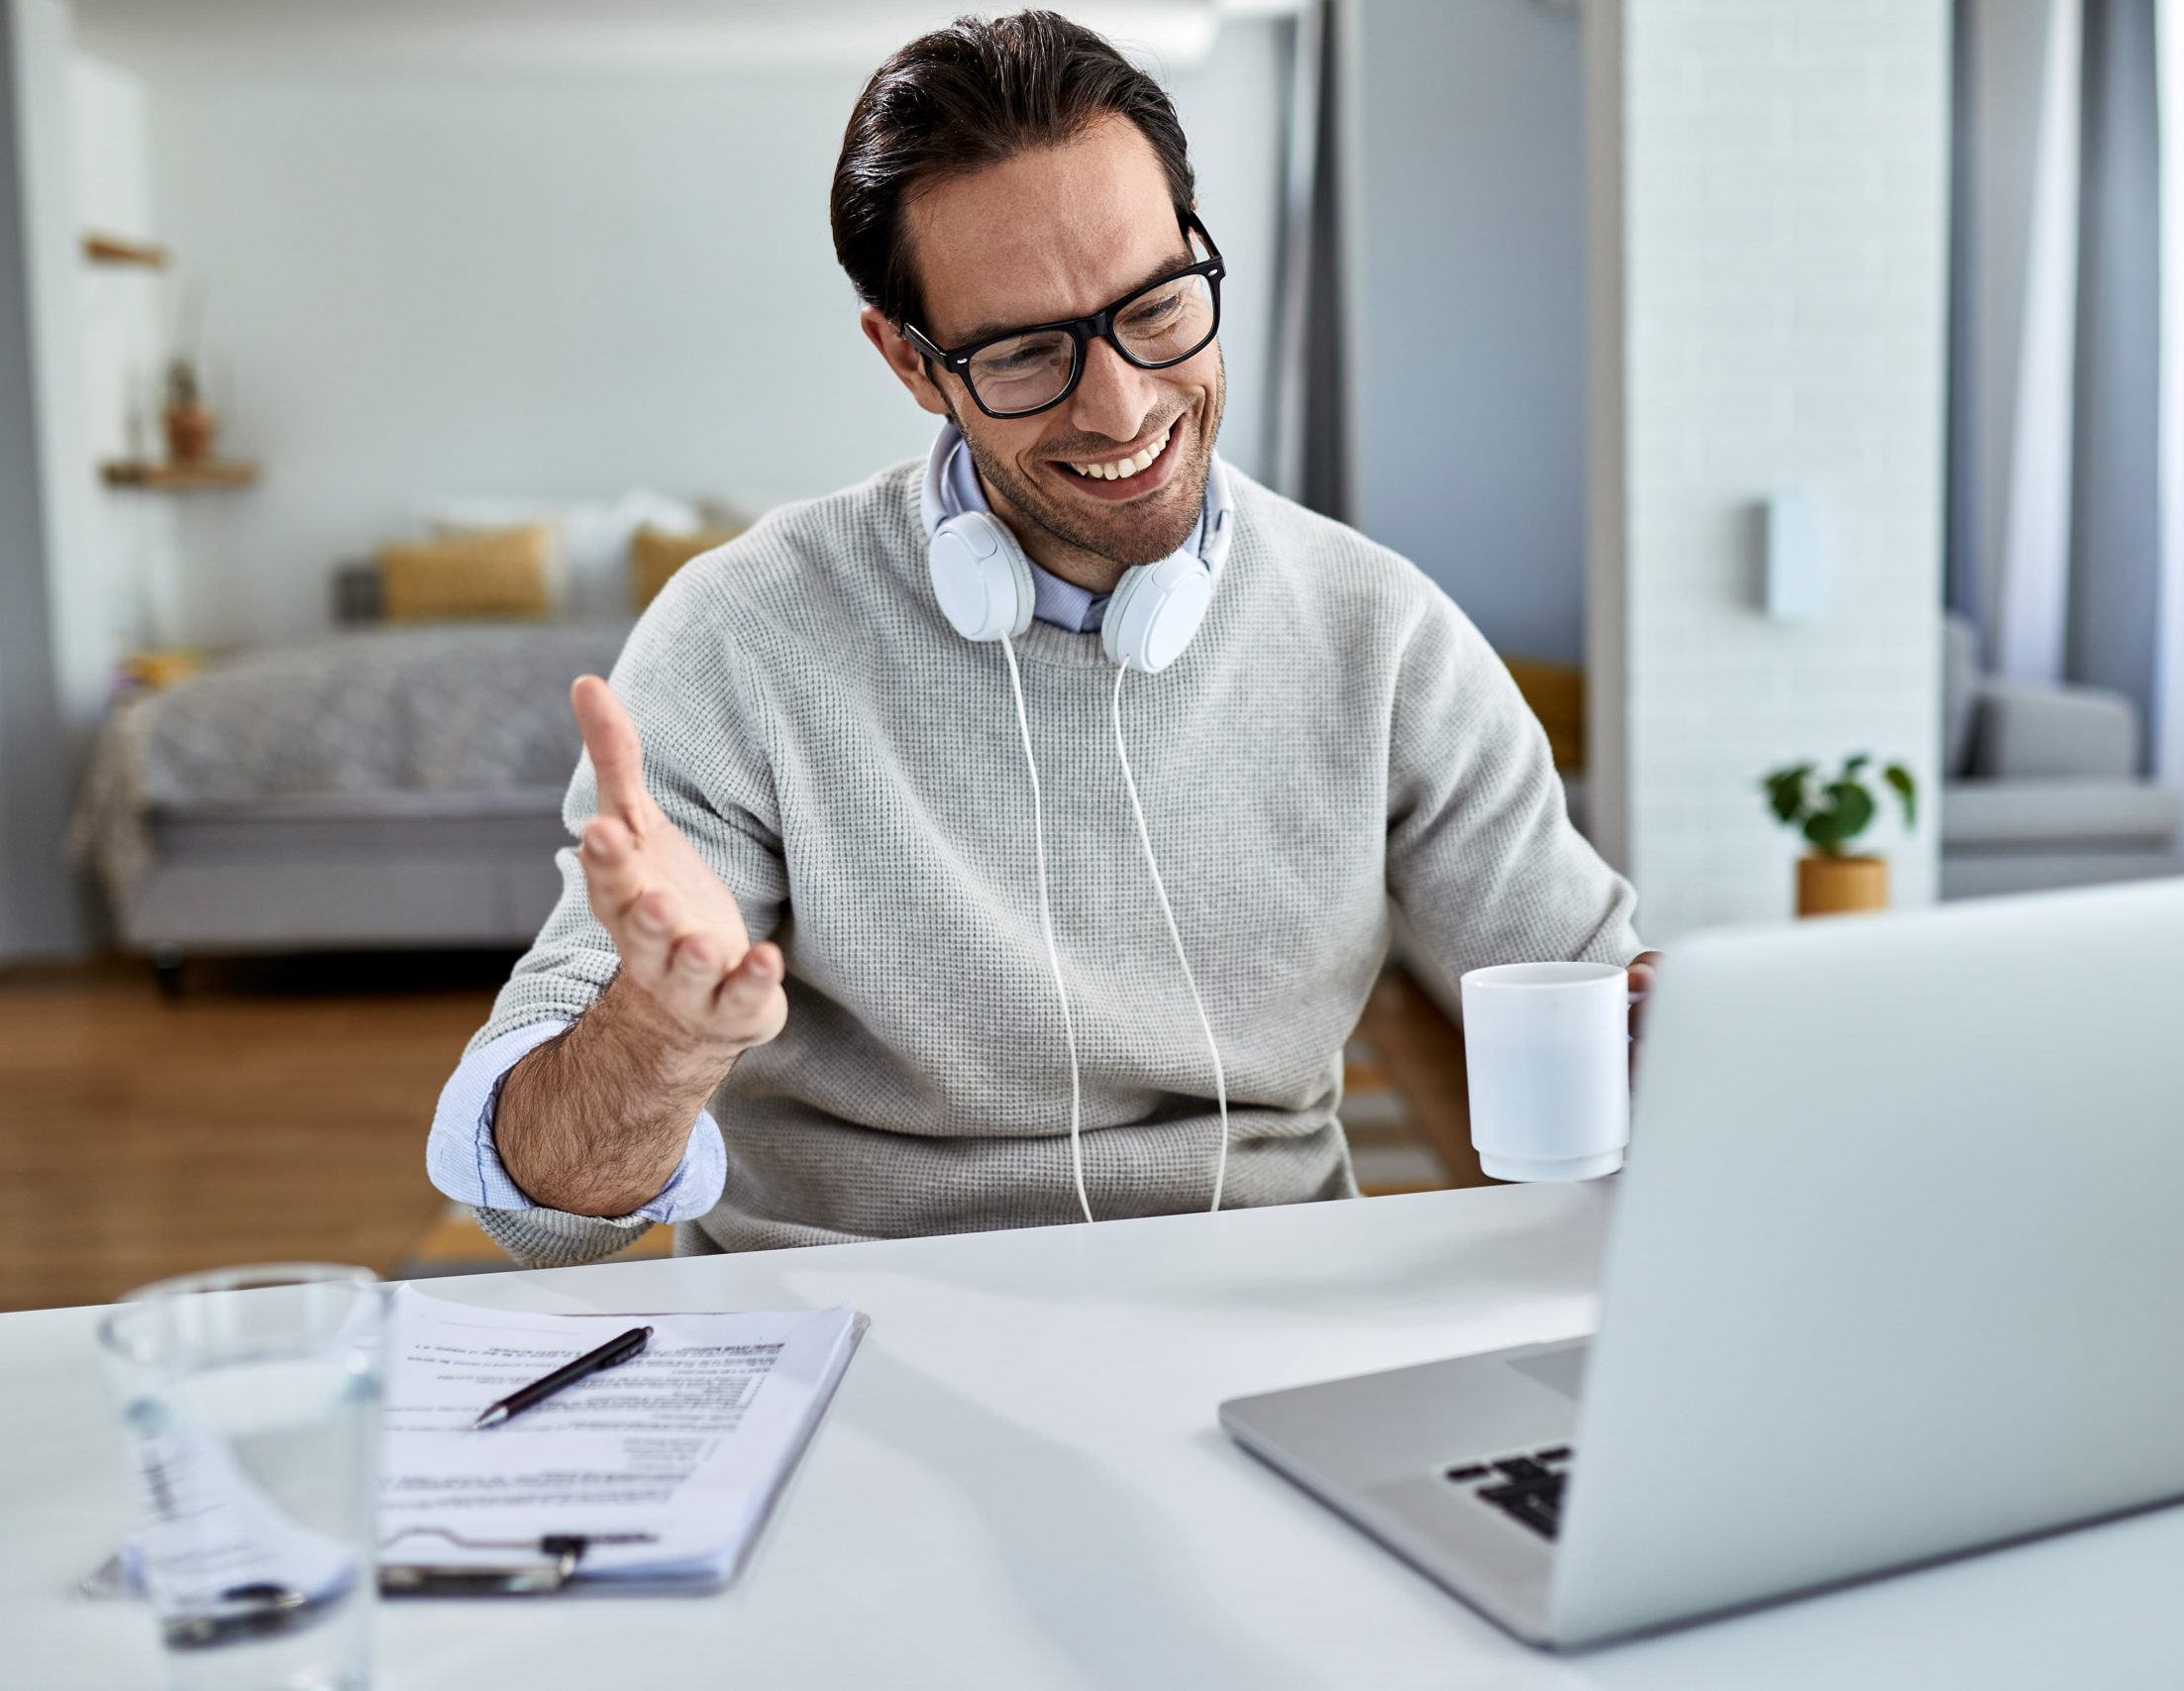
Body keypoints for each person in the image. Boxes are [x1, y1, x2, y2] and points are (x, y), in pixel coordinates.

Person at [426, 10, 1648, 1268]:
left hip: (1263, 1322)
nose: (1121, 403)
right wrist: (661, 1034)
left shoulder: (1377, 632)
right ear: (910, 362)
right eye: (1023, 353)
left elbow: (1598, 1000)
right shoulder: (743, 637)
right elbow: (536, 1212)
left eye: (1158, 306)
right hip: (856, 1335)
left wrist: (1696, 1044)